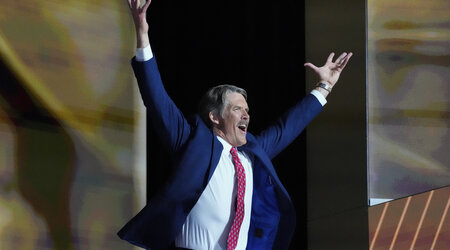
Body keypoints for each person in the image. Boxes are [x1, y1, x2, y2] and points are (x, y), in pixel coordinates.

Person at [119, 0, 353, 249]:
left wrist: (324, 86)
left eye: (247, 110)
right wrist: (142, 34)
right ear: (214, 117)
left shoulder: (252, 152)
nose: (246, 115)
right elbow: (157, 99)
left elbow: (288, 126)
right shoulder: (191, 142)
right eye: (237, 109)